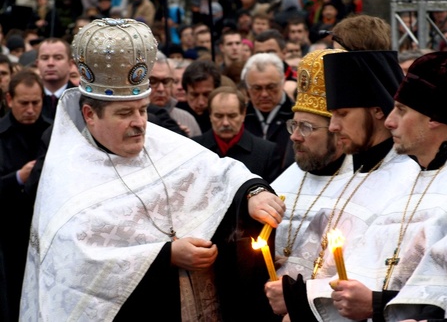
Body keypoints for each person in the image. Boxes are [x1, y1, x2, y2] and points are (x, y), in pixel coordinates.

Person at [20, 18, 286, 321]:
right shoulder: (63, 170)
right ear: (90, 114)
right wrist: (166, 257)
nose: (139, 122)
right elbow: (76, 264)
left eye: (143, 109)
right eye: (124, 113)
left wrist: (254, 192)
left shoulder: (160, 141)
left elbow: (222, 174)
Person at [265, 50, 420, 321]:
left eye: (342, 114)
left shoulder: (408, 178)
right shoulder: (359, 171)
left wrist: (296, 298)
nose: (334, 127)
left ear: (377, 112)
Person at [312, 51, 447, 322]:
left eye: (402, 110)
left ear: (433, 116)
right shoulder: (415, 180)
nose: (389, 121)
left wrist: (377, 304)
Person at [0, 69, 52, 321]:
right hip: (8, 233)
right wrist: (19, 177)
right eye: (24, 103)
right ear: (9, 100)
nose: (31, 109)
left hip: (44, 231)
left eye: (36, 102)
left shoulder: (52, 132)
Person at [193, 86, 282, 183]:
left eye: (232, 116)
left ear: (243, 114)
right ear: (210, 115)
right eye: (219, 116)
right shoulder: (193, 148)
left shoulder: (266, 152)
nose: (225, 123)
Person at [241, 52, 295, 171]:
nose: (264, 94)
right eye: (257, 88)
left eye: (271, 87)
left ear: (283, 82)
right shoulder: (239, 118)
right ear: (247, 88)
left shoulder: (296, 116)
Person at [149, 51, 201, 138]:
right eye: (153, 81)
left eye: (166, 81)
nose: (161, 89)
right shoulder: (134, 120)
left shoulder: (187, 119)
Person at [36, 37, 77, 120]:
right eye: (45, 58)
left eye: (58, 58)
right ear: (37, 63)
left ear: (70, 64)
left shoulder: (80, 99)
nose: (50, 63)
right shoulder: (28, 98)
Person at [177, 59, 222, 133]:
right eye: (194, 95)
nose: (201, 102)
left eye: (207, 95)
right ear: (186, 92)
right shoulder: (175, 116)